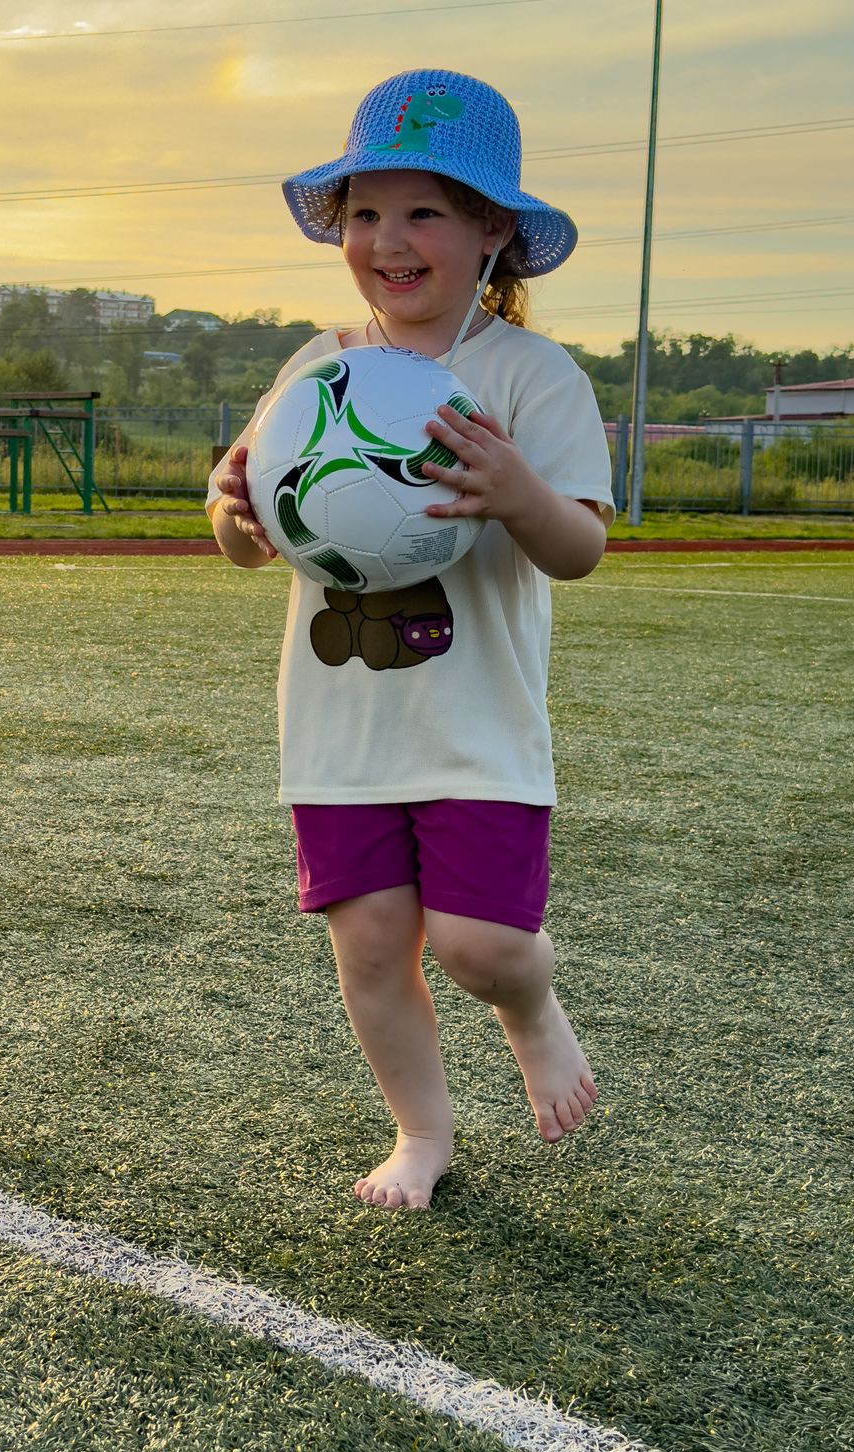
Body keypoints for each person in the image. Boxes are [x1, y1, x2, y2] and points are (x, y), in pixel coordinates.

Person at [207, 68, 613, 1209]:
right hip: (342, 728)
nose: (389, 238)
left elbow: (577, 546)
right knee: (373, 945)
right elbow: (246, 532)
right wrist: (233, 509)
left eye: (424, 210)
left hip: (473, 726)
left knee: (479, 946)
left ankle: (533, 1007)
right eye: (366, 211)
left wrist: (512, 490)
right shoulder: (317, 368)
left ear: (494, 231)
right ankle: (421, 1133)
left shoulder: (531, 376)